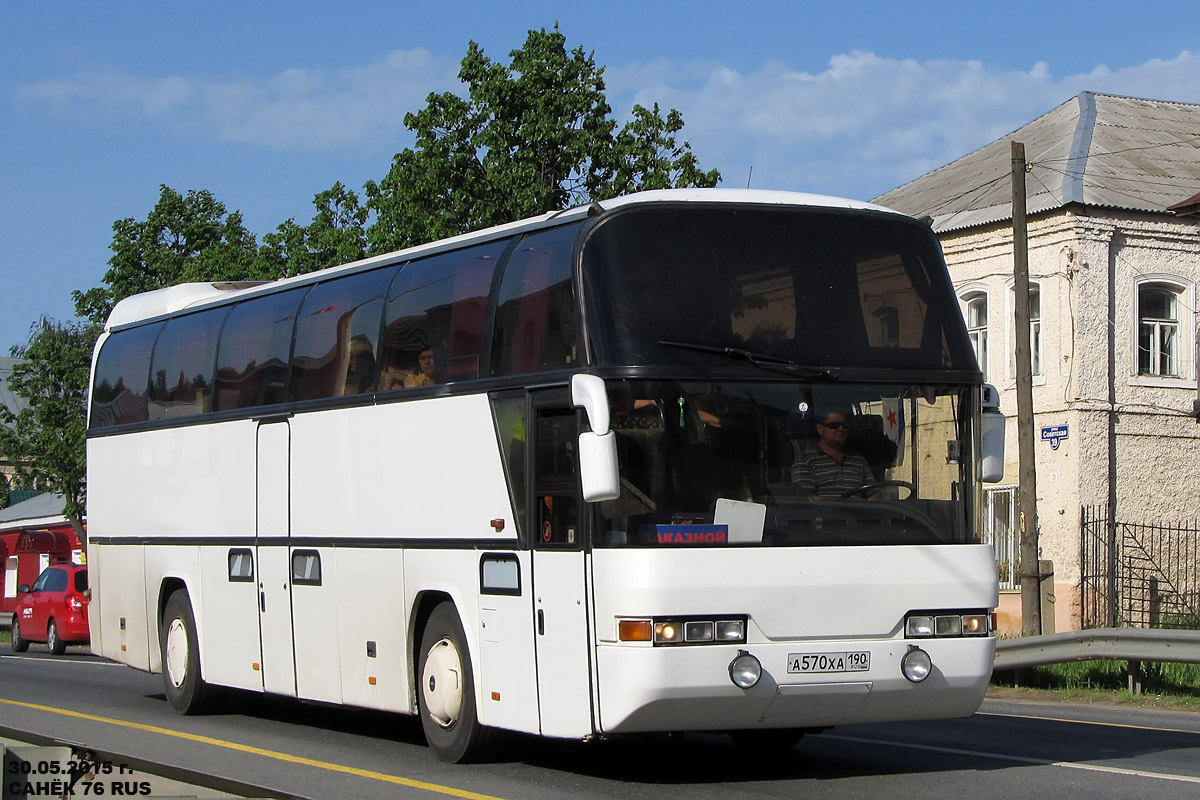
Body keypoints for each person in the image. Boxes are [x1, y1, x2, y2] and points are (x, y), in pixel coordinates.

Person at [790, 410, 876, 499]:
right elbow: (804, 498)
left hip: (860, 512)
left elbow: (874, 492)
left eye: (844, 425)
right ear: (820, 429)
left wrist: (875, 498)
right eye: (834, 425)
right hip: (824, 512)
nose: (841, 429)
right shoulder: (806, 462)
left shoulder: (859, 460)